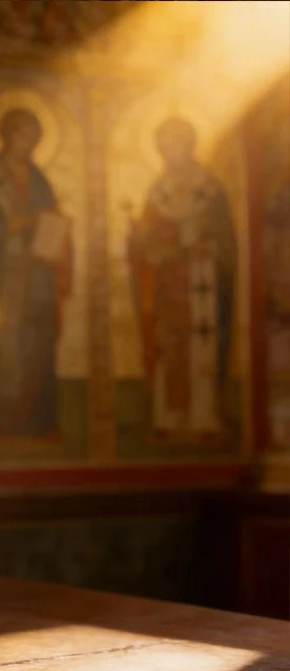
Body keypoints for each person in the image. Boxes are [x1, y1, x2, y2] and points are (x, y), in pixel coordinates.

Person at [0, 107, 72, 438]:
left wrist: (57, 232)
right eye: (23, 136)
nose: (28, 144)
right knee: (3, 345)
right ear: (7, 136)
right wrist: (15, 226)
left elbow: (50, 217)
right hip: (1, 278)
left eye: (34, 138)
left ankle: (38, 421)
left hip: (36, 279)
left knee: (37, 344)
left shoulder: (38, 178)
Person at [127, 117, 236, 438]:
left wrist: (208, 245)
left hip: (202, 282)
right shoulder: (158, 191)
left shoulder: (209, 189)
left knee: (201, 344)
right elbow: (147, 238)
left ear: (188, 144)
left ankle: (203, 416)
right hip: (168, 282)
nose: (167, 152)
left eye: (172, 144)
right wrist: (140, 240)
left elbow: (225, 238)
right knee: (170, 346)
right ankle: (169, 416)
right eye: (162, 146)